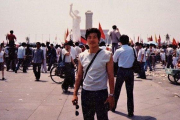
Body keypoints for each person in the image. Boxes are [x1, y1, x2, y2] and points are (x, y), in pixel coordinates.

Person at [72, 28, 114, 120]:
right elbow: (79, 76)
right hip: (86, 93)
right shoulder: (82, 56)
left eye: (95, 37)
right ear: (86, 40)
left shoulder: (107, 55)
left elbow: (111, 76)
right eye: (89, 37)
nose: (92, 40)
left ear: (99, 39)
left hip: (101, 93)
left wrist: (111, 95)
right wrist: (75, 93)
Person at [112, 35, 135, 117]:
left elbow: (114, 60)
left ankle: (113, 107)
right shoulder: (132, 49)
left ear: (120, 41)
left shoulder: (119, 50)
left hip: (121, 71)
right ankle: (130, 111)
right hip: (130, 71)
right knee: (130, 92)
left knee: (117, 90)